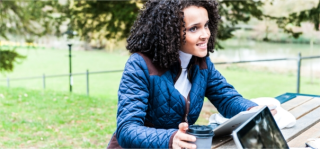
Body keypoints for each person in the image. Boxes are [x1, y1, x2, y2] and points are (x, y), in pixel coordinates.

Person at [107, 0, 276, 148]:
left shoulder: (202, 63)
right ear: (169, 32)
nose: (205, 35)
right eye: (194, 28)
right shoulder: (139, 65)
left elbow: (226, 98)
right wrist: (171, 139)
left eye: (206, 25)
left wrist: (252, 110)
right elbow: (127, 129)